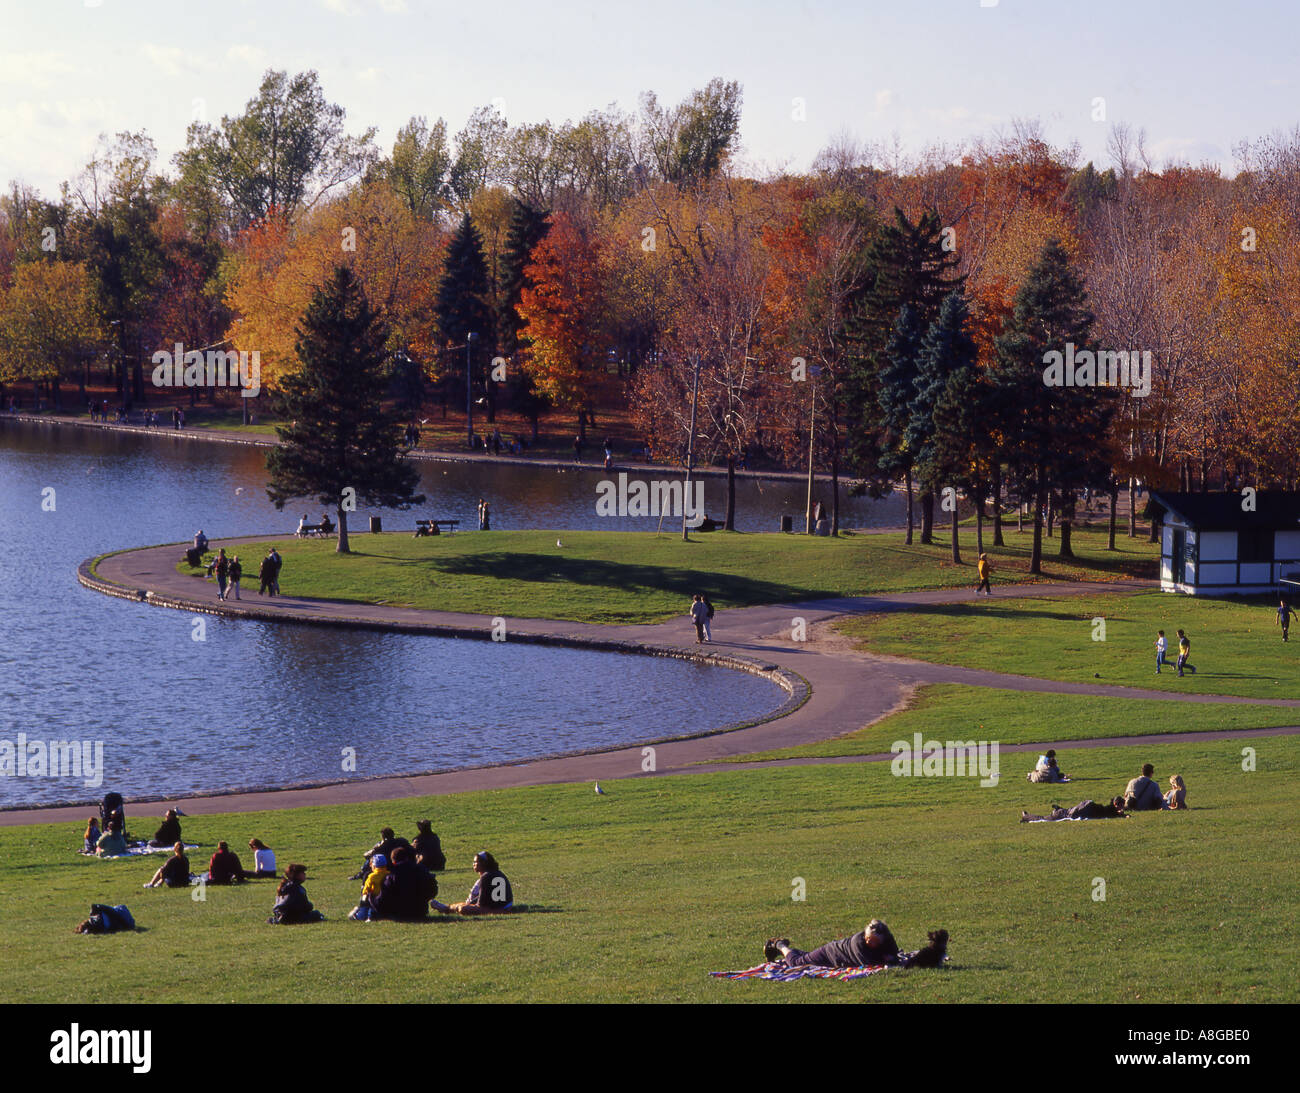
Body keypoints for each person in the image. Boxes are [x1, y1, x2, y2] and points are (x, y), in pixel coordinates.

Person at [764, 918, 900, 968]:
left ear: (883, 940)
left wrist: (891, 958)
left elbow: (893, 953)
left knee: (806, 956)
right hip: (830, 953)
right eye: (867, 937)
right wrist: (888, 959)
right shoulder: (858, 942)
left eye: (874, 941)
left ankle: (779, 949)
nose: (868, 941)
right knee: (797, 963)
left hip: (835, 953)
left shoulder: (888, 939)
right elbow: (868, 964)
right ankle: (779, 945)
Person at [431, 850, 512, 916]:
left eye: (475, 862)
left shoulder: (485, 877)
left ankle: (447, 909)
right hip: (506, 907)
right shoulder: (498, 873)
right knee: (465, 905)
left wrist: (467, 906)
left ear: (483, 863)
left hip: (498, 910)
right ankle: (447, 907)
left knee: (463, 909)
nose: (473, 864)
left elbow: (480, 905)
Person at [372, 846, 436, 921]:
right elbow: (433, 890)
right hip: (420, 911)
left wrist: (370, 897)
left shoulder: (392, 876)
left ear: (393, 862)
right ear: (406, 858)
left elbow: (381, 902)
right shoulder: (421, 870)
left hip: (399, 913)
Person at [349, 853, 390, 920]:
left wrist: (364, 898)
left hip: (372, 900)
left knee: (362, 915)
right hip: (385, 900)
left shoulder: (371, 877)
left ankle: (357, 913)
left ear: (374, 865)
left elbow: (365, 890)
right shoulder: (389, 874)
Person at [1020, 798, 1127, 822]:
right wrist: (1121, 815)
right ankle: (1026, 816)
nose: (1122, 808)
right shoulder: (1106, 810)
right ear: (1116, 804)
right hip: (1064, 814)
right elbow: (1110, 813)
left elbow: (1110, 813)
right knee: (1043, 819)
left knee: (1051, 816)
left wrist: (1120, 814)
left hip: (1066, 812)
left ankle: (1058, 809)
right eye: (1121, 806)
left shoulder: (1104, 809)